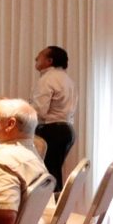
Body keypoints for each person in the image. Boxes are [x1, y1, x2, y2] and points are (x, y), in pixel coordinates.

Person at [31, 46, 76, 191]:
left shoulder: (47, 79)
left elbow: (39, 111)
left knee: (47, 175)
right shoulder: (67, 80)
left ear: (49, 61)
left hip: (52, 130)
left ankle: (49, 204)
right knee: (54, 172)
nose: (36, 58)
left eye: (40, 56)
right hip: (67, 130)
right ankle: (58, 204)